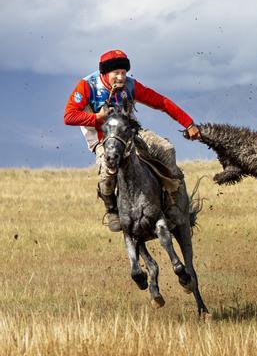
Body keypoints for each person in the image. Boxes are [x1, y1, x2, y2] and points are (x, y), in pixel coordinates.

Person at [63, 49, 201, 232]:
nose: (121, 78)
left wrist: (188, 123)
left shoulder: (130, 85)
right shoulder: (87, 86)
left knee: (167, 149)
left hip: (130, 133)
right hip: (103, 138)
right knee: (107, 172)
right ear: (105, 73)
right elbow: (69, 116)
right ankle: (112, 210)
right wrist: (97, 117)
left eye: (123, 73)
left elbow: (162, 102)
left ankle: (172, 202)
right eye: (116, 73)